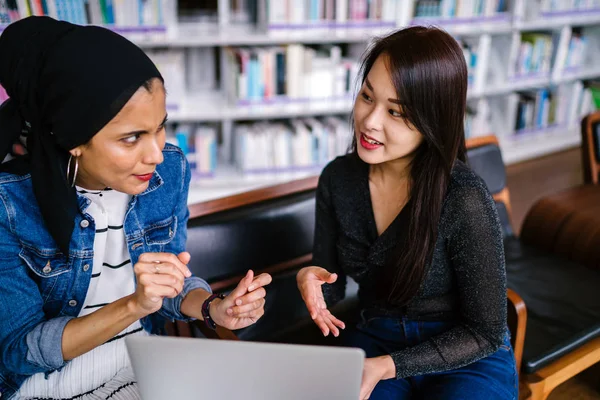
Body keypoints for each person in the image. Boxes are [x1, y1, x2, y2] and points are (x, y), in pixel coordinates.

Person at [0, 16, 271, 400]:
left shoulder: (169, 172)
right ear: (72, 138)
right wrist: (134, 306)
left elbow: (169, 281)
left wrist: (213, 308)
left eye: (160, 126)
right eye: (131, 139)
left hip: (141, 367)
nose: (157, 153)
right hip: (45, 386)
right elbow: (19, 351)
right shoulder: (8, 203)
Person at [297, 26, 517, 400]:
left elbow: (484, 332)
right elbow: (332, 288)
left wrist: (387, 365)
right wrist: (311, 280)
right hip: (374, 337)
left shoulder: (463, 198)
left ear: (433, 120)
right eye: (367, 96)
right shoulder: (338, 179)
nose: (370, 121)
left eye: (395, 112)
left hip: (464, 354)